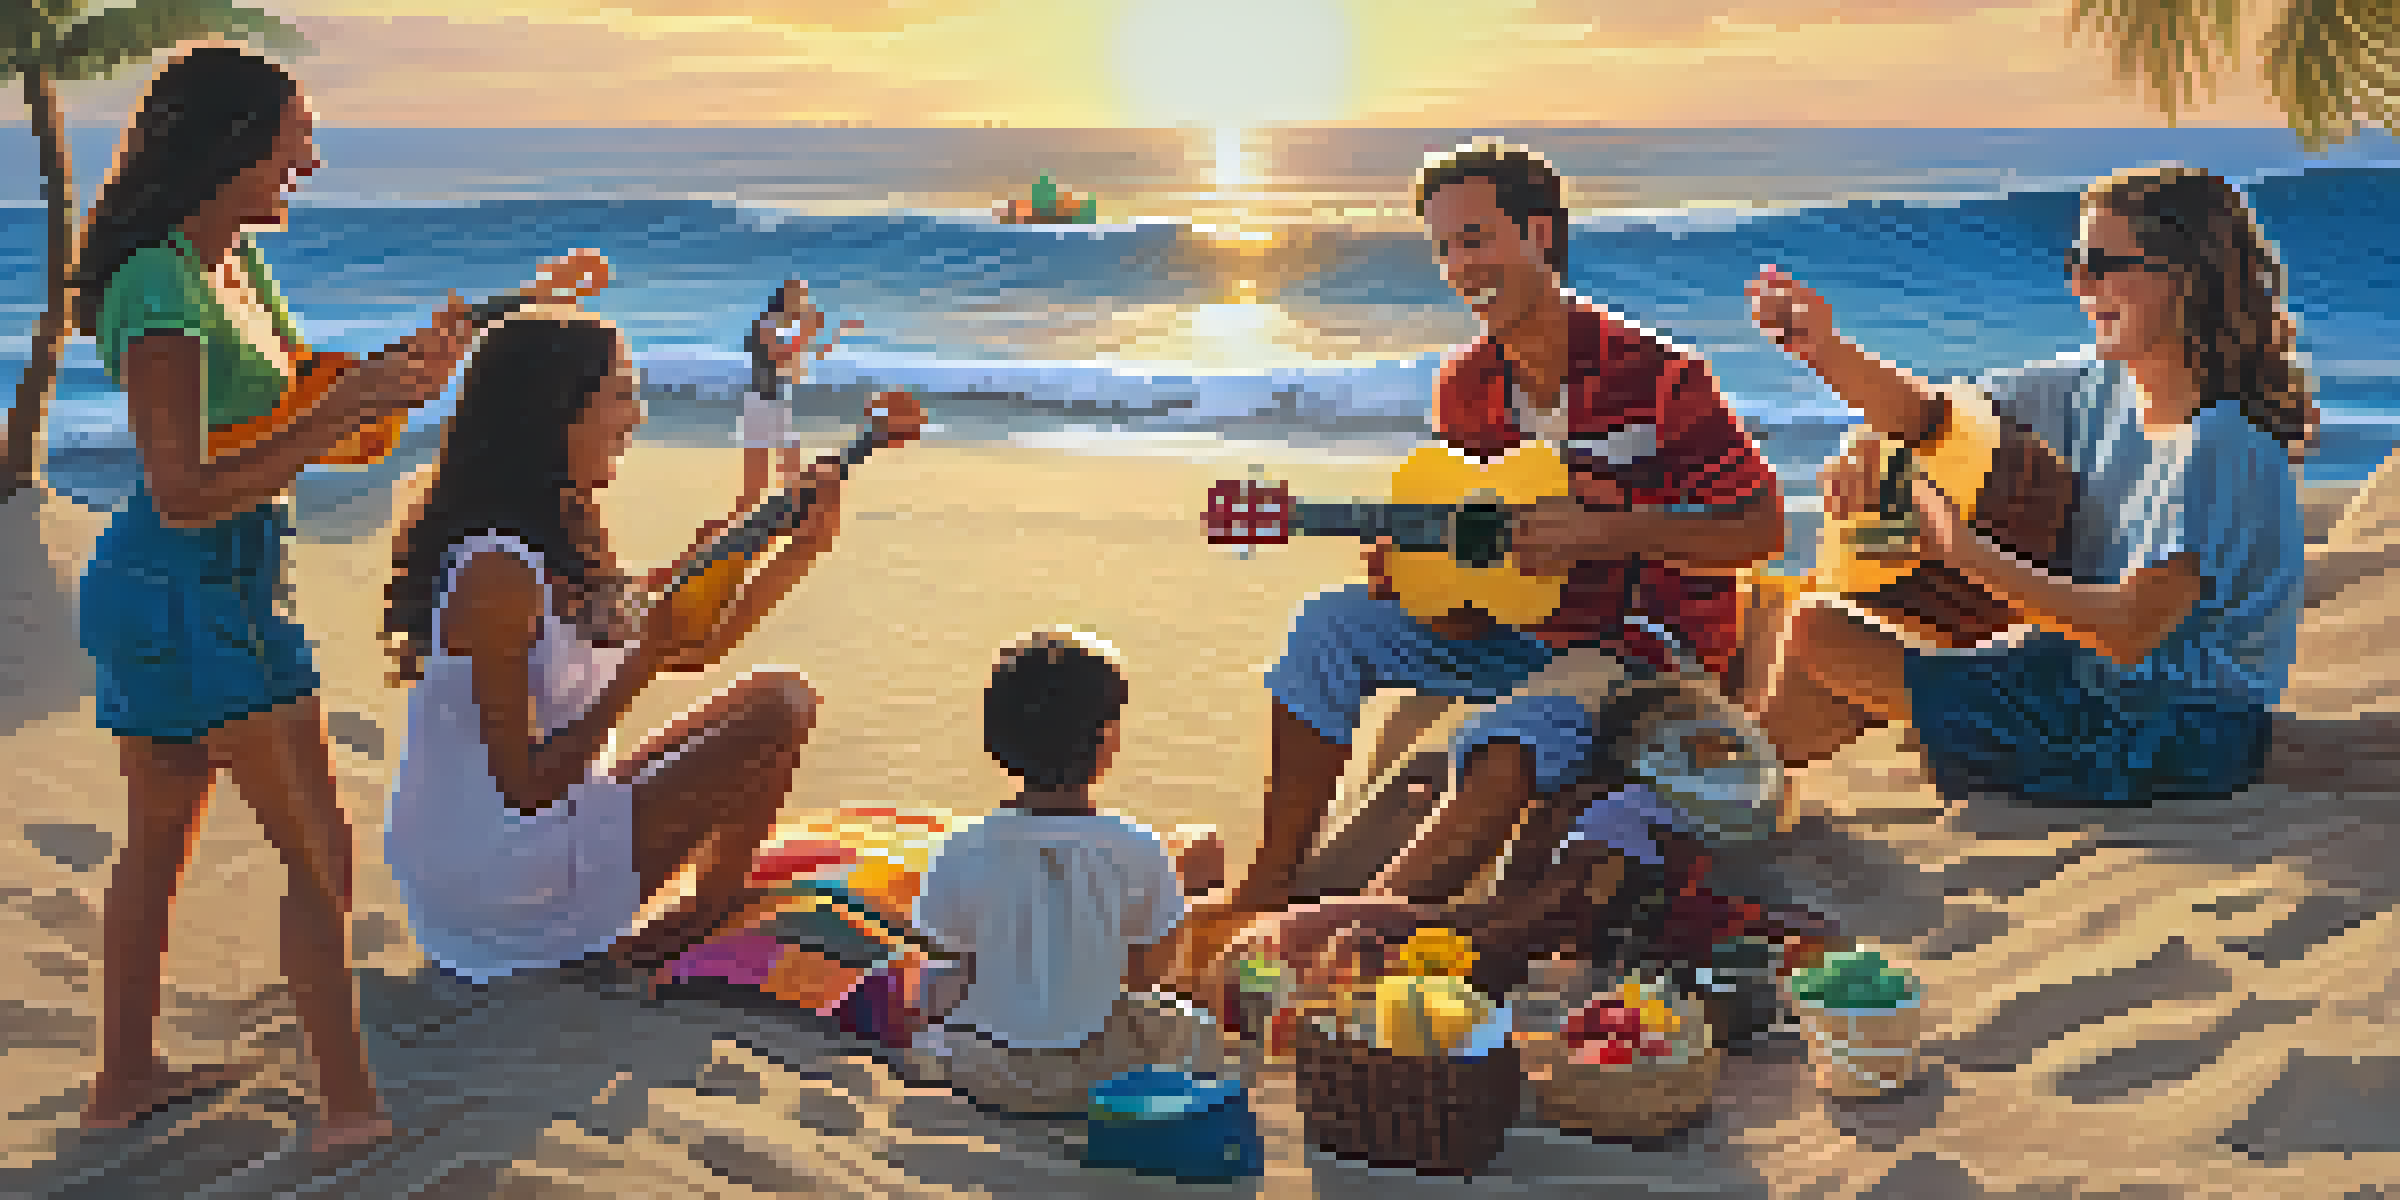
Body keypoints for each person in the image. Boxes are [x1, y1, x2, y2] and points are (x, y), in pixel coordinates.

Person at [1177, 139, 1788, 977]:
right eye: (1444, 249)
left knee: (1514, 733)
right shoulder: (1466, 386)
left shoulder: (1660, 377)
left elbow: (1759, 527)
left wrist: (1603, 532)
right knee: (1329, 625)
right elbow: (1477, 570)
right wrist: (1418, 573)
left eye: (1475, 238)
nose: (1460, 266)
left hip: (1640, 646)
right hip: (1520, 638)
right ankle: (1271, 884)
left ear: (1539, 233)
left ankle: (1366, 936)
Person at [69, 45, 476, 1151]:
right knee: (319, 858)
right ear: (231, 143)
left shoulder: (237, 267)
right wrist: (347, 409)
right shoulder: (159, 284)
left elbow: (305, 424)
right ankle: (348, 1112)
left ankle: (123, 1084)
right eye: (294, 135)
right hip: (202, 590)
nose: (309, 157)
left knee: (158, 846)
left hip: (180, 588)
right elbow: (186, 487)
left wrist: (400, 378)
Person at [1745, 165, 2309, 808]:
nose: (2080, 282)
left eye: (2103, 263)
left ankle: (1724, 792)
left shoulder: (2220, 445)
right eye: (2076, 260)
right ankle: (1739, 788)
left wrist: (1960, 552)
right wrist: (1828, 363)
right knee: (1835, 632)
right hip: (2088, 682)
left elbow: (2130, 629)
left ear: (2183, 278)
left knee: (1824, 634)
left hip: (2178, 727)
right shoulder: (2101, 388)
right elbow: (1935, 421)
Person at [381, 312, 867, 989]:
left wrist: (797, 552)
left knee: (775, 698)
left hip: (542, 829)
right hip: (497, 880)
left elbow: (691, 647)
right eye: (619, 393)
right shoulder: (496, 575)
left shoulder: (566, 524)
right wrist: (639, 666)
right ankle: (690, 921)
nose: (636, 416)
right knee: (779, 712)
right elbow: (524, 789)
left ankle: (691, 906)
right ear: (557, 410)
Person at [910, 629, 1234, 1115]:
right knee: (1192, 1024)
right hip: (1104, 1072)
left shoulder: (959, 849)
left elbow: (950, 964)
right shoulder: (1139, 848)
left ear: (994, 741)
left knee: (930, 996)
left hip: (985, 1071)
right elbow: (1150, 973)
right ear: (1106, 742)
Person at [737, 280, 856, 513]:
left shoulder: (784, 328)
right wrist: (807, 333)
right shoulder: (767, 324)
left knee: (788, 466)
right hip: (762, 402)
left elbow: (812, 356)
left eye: (805, 297)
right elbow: (780, 356)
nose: (805, 302)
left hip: (775, 401)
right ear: (787, 299)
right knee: (760, 477)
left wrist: (838, 333)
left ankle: (784, 517)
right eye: (801, 297)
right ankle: (748, 523)